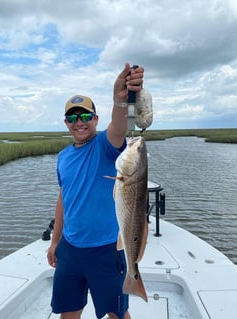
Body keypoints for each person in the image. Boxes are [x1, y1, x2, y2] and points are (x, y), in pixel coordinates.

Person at [47, 63, 144, 319]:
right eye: (73, 117)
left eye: (86, 116)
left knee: (117, 314)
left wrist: (120, 100)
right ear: (66, 123)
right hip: (70, 249)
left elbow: (119, 127)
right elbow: (63, 199)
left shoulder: (105, 145)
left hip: (106, 250)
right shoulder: (63, 156)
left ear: (96, 119)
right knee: (68, 312)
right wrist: (56, 241)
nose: (80, 123)